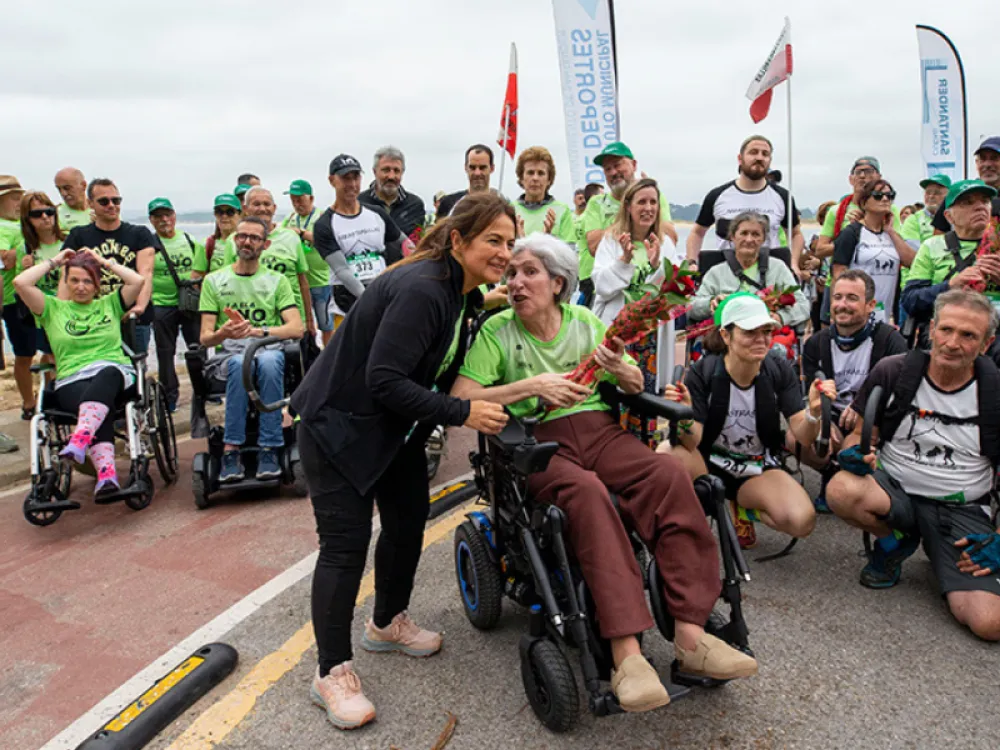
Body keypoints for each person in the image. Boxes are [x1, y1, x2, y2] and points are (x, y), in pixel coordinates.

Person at [453, 234, 758, 713]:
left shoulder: (586, 322)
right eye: (511, 274)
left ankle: (691, 636)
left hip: (600, 430)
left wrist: (621, 367)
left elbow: (634, 382)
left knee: (667, 474)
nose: (515, 282)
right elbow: (463, 396)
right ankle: (626, 654)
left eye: (529, 272)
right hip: (535, 442)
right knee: (588, 494)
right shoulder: (498, 331)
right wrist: (532, 387)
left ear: (558, 282)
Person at [290, 193, 513, 731]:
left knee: (409, 520)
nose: (505, 253)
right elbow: (384, 379)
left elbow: (441, 343)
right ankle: (331, 672)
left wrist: (487, 303)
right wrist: (462, 411)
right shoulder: (424, 289)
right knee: (344, 549)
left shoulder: (459, 290)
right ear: (457, 240)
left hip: (390, 429)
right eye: (493, 240)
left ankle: (387, 623)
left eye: (510, 242)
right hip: (337, 425)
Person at [825, 290, 1000, 640]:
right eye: (946, 330)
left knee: (989, 624)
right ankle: (894, 542)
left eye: (968, 335)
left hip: (962, 507)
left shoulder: (994, 391)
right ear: (931, 329)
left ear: (987, 343)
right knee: (841, 488)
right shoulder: (894, 371)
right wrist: (853, 453)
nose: (953, 343)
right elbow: (859, 436)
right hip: (895, 493)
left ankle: (942, 554)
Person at [662, 293, 832, 549]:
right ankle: (693, 518)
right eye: (750, 332)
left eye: (766, 331)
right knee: (666, 453)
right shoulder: (703, 372)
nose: (761, 339)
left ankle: (741, 508)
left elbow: (804, 436)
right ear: (726, 335)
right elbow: (691, 440)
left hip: (755, 466)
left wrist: (814, 414)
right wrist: (684, 415)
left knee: (801, 520)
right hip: (708, 464)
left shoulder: (778, 369)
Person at [14, 248, 145, 494]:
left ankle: (80, 440)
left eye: (88, 281)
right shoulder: (52, 308)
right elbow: (20, 282)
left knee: (107, 374)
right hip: (72, 381)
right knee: (96, 404)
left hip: (114, 375)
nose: (81, 287)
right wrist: (54, 262)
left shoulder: (110, 304)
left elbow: (137, 281)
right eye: (74, 280)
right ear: (65, 282)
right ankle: (106, 477)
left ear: (97, 285)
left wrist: (104, 262)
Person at [199, 216, 304, 482]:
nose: (247, 242)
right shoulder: (214, 280)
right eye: (242, 236)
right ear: (235, 240)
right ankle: (231, 448)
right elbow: (205, 338)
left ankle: (269, 447)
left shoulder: (277, 280)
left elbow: (296, 328)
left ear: (265, 244)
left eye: (254, 237)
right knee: (239, 363)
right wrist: (224, 333)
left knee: (267, 362)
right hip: (232, 353)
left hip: (267, 348)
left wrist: (258, 331)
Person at [797, 270, 907, 510]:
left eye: (852, 298)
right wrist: (823, 421)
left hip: (871, 419)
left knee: (853, 451)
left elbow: (900, 393)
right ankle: (831, 472)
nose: (842, 305)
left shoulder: (890, 340)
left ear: (870, 305)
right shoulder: (816, 343)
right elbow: (811, 391)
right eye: (837, 297)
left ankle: (848, 480)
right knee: (796, 438)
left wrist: (862, 408)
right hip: (833, 414)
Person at [591, 178, 675, 406]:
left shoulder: (664, 244)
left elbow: (672, 292)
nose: (648, 208)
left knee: (645, 397)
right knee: (612, 394)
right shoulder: (611, 241)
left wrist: (657, 267)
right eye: (641, 202)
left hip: (649, 336)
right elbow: (601, 286)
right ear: (628, 206)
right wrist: (624, 261)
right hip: (618, 332)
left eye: (653, 202)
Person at [60, 178, 156, 353]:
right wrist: (62, 313)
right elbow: (66, 277)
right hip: (92, 316)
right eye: (104, 201)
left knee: (135, 363)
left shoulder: (139, 234)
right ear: (91, 204)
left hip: (131, 317)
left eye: (116, 200)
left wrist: (140, 306)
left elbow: (146, 272)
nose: (111, 205)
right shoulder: (78, 236)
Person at [686, 135, 805, 274]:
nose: (759, 157)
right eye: (753, 152)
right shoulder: (718, 196)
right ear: (740, 158)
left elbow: (796, 234)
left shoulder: (782, 197)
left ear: (770, 160)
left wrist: (793, 263)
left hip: (769, 274)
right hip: (725, 274)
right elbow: (697, 232)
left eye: (765, 154)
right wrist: (691, 262)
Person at [578, 142, 676, 309]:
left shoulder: (655, 196)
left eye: (617, 165)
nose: (613, 172)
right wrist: (627, 221)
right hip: (599, 290)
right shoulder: (597, 203)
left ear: (634, 165)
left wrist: (643, 198)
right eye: (607, 169)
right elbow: (594, 246)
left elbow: (669, 237)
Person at [314, 154, 405, 318]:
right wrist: (370, 300)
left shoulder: (377, 214)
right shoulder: (324, 225)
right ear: (332, 180)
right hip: (346, 306)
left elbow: (404, 242)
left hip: (381, 296)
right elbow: (342, 270)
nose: (352, 184)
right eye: (345, 178)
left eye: (356, 177)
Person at [902, 180, 1000, 325]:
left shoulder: (996, 246)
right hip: (948, 332)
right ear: (949, 216)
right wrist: (951, 285)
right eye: (967, 202)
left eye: (985, 201)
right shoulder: (932, 246)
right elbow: (910, 300)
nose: (980, 207)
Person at [688, 211, 809, 327]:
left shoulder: (778, 268)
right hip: (726, 335)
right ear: (732, 236)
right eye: (744, 233)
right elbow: (691, 308)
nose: (749, 239)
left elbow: (803, 306)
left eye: (756, 234)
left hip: (767, 333)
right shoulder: (716, 272)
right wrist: (710, 302)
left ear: (763, 239)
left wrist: (781, 317)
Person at [222, 186, 314, 336]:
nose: (262, 209)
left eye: (266, 204)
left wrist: (309, 321)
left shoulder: (291, 238)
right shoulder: (234, 241)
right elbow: (227, 283)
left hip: (291, 320)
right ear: (245, 208)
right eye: (256, 204)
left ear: (274, 208)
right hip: (254, 321)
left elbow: (302, 280)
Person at [831, 179, 915, 323]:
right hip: (856, 312)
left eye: (890, 195)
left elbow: (912, 262)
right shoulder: (851, 233)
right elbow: (838, 275)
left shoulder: (891, 235)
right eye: (878, 195)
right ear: (864, 202)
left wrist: (890, 231)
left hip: (886, 313)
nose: (885, 199)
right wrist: (836, 314)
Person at [148, 197, 202, 413]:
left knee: (197, 349)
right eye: (158, 216)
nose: (164, 220)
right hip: (162, 304)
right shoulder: (149, 244)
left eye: (167, 215)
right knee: (165, 353)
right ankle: (170, 396)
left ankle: (203, 390)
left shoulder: (189, 240)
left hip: (189, 302)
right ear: (151, 220)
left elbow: (202, 268)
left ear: (174, 216)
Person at [20, 192, 69, 405]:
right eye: (37, 214)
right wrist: (26, 269)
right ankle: (59, 402)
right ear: (28, 219)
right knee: (54, 361)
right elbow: (22, 287)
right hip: (45, 317)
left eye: (49, 212)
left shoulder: (68, 241)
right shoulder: (26, 249)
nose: (45, 218)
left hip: (72, 312)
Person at [814, 157, 901, 263]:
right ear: (851, 179)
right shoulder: (836, 211)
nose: (862, 176)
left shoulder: (888, 209)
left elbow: (899, 246)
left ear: (879, 178)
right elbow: (820, 250)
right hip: (845, 269)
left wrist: (871, 227)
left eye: (869, 171)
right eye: (858, 172)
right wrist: (852, 234)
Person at [279, 180, 333, 345]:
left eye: (300, 200)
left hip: (320, 280)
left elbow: (326, 240)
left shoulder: (322, 217)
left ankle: (328, 352)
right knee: (303, 324)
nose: (297, 204)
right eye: (293, 200)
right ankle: (307, 352)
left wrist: (301, 233)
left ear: (311, 198)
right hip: (298, 282)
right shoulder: (290, 218)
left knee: (325, 323)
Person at [0, 176, 36, 420]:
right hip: (14, 301)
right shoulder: (2, 226)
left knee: (50, 351)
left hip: (36, 297)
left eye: (19, 198)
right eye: (13, 198)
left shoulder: (22, 225)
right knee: (24, 354)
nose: (17, 203)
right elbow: (5, 260)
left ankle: (46, 396)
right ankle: (28, 402)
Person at [930, 137, 1000, 234]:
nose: (987, 164)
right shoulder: (958, 193)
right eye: (983, 159)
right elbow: (938, 234)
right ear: (977, 163)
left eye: (994, 158)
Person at [359, 146, 426, 239]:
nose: (391, 176)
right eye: (386, 170)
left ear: (402, 173)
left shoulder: (415, 205)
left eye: (396, 171)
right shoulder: (359, 203)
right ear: (375, 172)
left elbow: (418, 241)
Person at [512, 146, 576, 243]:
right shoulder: (510, 210)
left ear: (549, 180)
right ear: (521, 178)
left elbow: (570, 250)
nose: (535, 178)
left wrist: (548, 241)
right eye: (530, 173)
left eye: (541, 173)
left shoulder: (562, 211)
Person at [436, 144, 496, 220]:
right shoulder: (449, 204)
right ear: (465, 168)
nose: (477, 173)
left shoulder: (499, 206)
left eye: (482, 168)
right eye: (472, 167)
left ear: (492, 168)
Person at [192, 194, 241, 279]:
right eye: (219, 212)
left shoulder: (248, 242)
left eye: (230, 212)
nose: (224, 216)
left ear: (239, 214)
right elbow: (197, 276)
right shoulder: (206, 244)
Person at [902, 176, 950, 251]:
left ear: (948, 195)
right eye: (928, 193)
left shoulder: (956, 217)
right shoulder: (913, 219)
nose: (931, 196)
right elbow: (913, 249)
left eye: (937, 193)